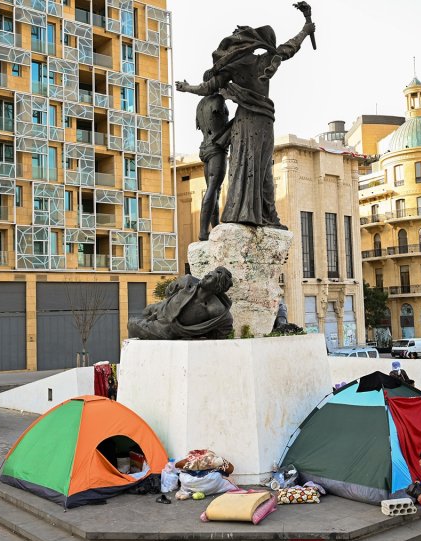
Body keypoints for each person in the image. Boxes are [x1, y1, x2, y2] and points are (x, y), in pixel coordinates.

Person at [175, 7, 315, 228]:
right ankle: (267, 216)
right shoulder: (267, 59)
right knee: (262, 167)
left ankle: (256, 215)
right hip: (263, 120)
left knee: (246, 166)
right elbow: (290, 48)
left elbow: (207, 87)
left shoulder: (233, 67)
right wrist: (306, 28)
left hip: (246, 121)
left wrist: (186, 87)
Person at [128, 267, 234, 340]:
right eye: (207, 275)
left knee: (132, 324)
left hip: (167, 328)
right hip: (162, 308)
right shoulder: (188, 282)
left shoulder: (215, 309)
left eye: (210, 278)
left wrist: (194, 334)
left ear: (217, 287)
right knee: (145, 311)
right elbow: (168, 292)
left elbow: (224, 328)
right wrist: (177, 283)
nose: (205, 277)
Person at [193, 72, 231, 241]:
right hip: (217, 147)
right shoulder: (218, 101)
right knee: (212, 189)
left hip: (204, 148)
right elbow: (221, 123)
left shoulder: (200, 104)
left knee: (214, 189)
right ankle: (203, 231)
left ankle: (214, 227)